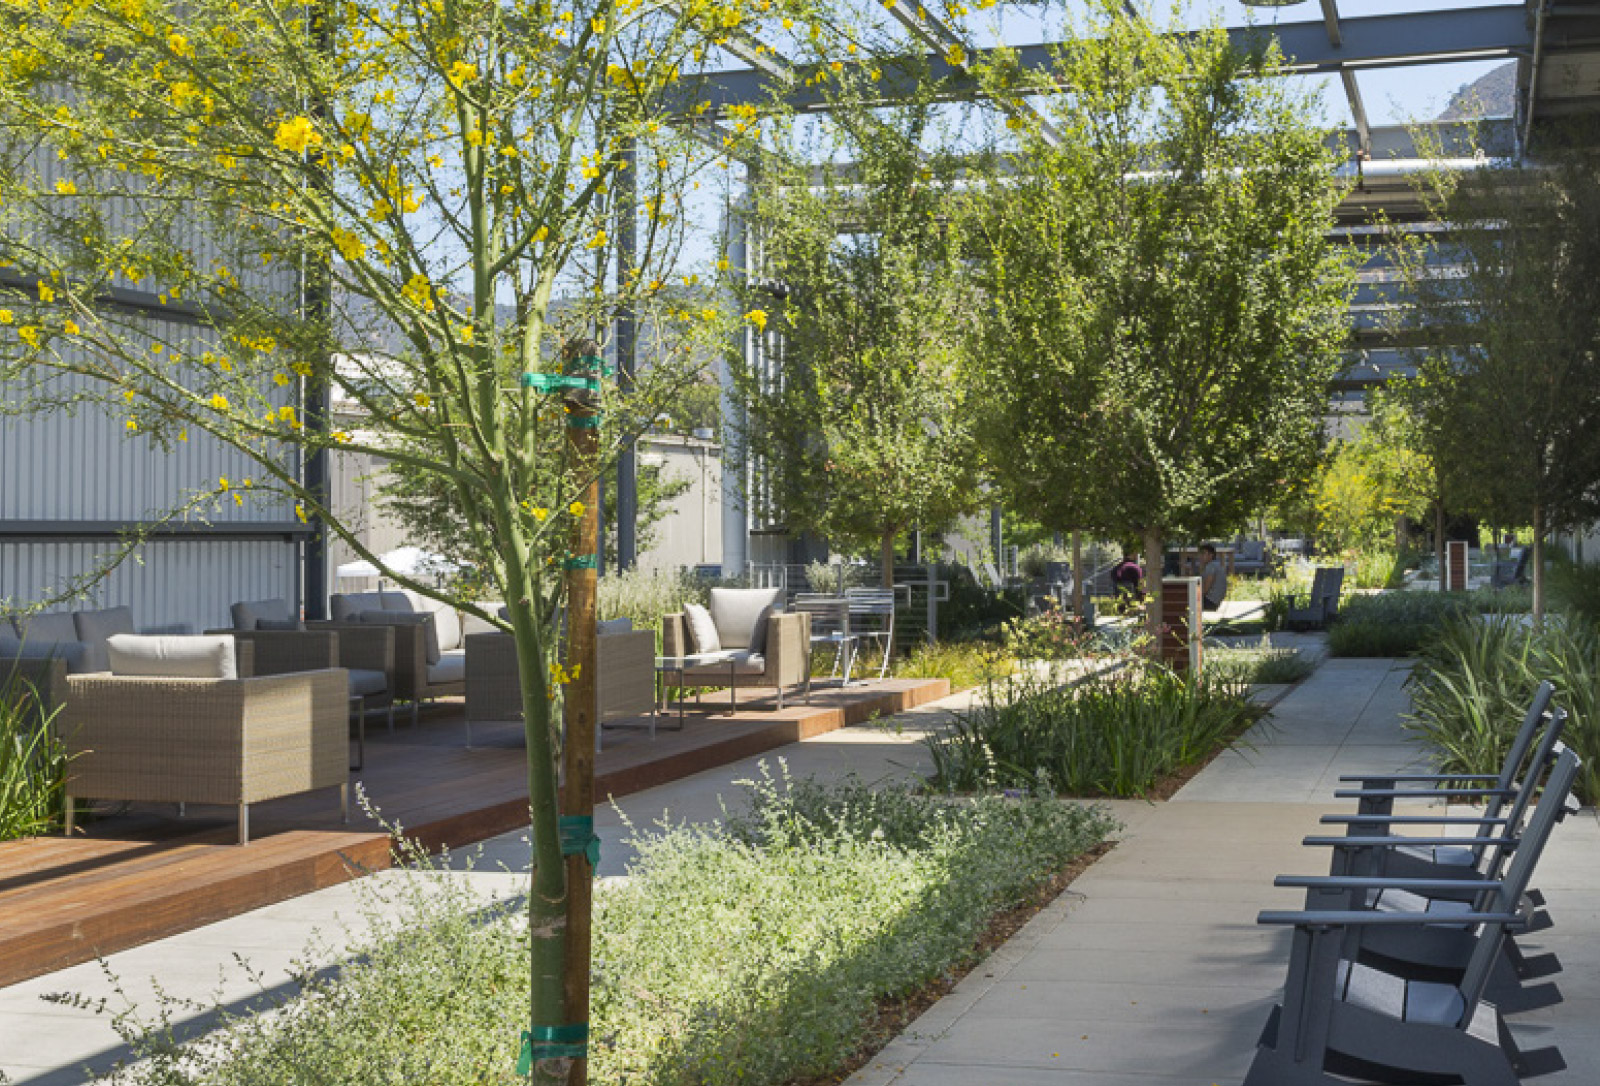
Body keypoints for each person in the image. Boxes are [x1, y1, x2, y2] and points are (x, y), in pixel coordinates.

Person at [1199, 543, 1228, 612]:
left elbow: (1206, 588)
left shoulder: (1210, 566)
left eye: (1203, 554)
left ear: (1211, 555)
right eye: (1201, 554)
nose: (1201, 556)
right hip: (1215, 601)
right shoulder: (1215, 565)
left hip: (1211, 601)